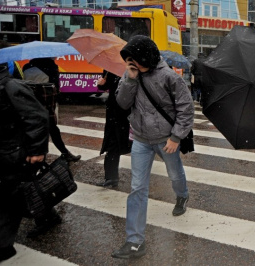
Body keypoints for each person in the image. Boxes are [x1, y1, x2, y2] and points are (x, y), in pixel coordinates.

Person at [112, 35, 194, 259]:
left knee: (174, 173)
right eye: (128, 60)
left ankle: (182, 195)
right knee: (137, 188)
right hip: (140, 140)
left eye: (134, 59)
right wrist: (130, 79)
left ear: (145, 56)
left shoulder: (169, 77)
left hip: (166, 139)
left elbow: (186, 109)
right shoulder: (130, 74)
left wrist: (176, 137)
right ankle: (135, 241)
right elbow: (122, 103)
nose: (131, 64)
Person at [0, 64, 49, 262]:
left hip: (15, 152)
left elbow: (37, 117)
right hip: (5, 151)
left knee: (12, 196)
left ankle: (3, 246)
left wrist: (37, 150)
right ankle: (47, 216)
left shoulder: (12, 87)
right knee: (22, 190)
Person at [22, 58, 81, 162]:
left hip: (30, 104)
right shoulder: (51, 67)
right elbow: (55, 88)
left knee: (34, 131)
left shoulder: (26, 67)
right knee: (53, 130)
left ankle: (31, 156)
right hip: (46, 105)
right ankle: (63, 153)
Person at [96, 70, 132, 188]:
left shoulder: (133, 68)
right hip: (113, 113)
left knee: (139, 146)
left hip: (128, 113)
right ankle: (111, 177)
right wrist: (101, 84)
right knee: (112, 144)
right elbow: (107, 86)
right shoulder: (110, 68)